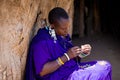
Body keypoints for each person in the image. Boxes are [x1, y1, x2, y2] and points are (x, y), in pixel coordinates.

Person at [25, 7, 112, 80]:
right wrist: (67, 56)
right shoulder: (41, 42)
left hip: (69, 70)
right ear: (52, 26)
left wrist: (81, 53)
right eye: (63, 28)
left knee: (105, 66)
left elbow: (71, 55)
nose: (66, 31)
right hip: (61, 77)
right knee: (100, 73)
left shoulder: (61, 36)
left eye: (67, 27)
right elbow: (42, 71)